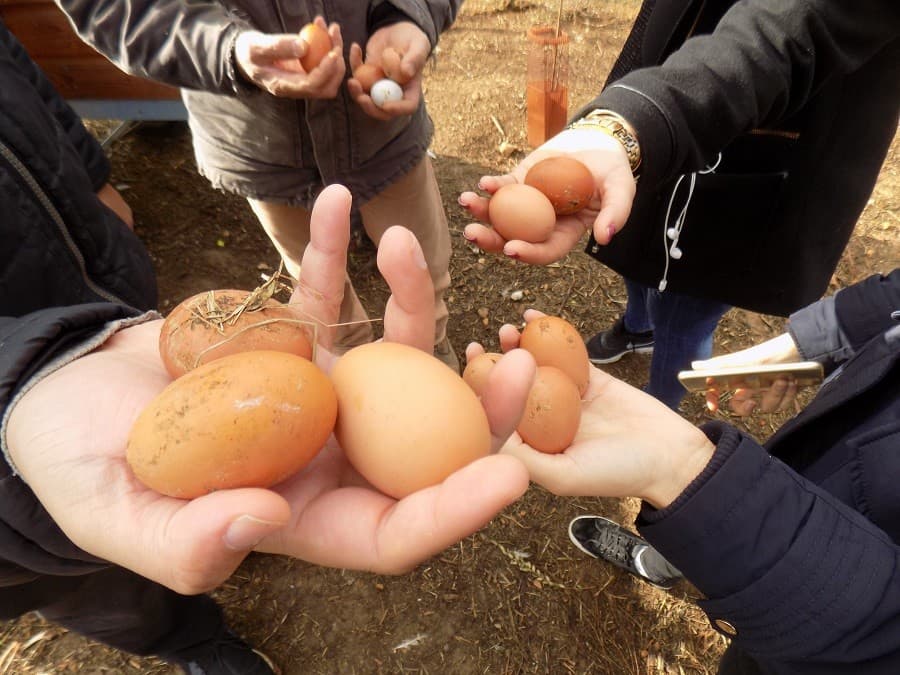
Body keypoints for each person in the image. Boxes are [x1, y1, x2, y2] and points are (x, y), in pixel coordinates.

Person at [0, 23, 537, 672]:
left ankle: (206, 577)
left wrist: (88, 169)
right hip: (244, 157)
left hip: (101, 302)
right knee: (102, 593)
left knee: (346, 342)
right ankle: (191, 643)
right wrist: (21, 387)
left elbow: (18, 66)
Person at [460, 0, 900, 408]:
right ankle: (639, 328)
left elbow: (790, 27)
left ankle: (661, 403)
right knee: (632, 235)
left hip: (768, 121)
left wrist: (641, 119)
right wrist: (627, 123)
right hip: (667, 86)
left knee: (687, 305)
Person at [476, 269, 900, 673]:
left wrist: (684, 475)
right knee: (713, 541)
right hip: (824, 471)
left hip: (833, 633)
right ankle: (669, 560)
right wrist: (822, 339)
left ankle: (689, 554)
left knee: (765, 647)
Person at [55, 0, 461, 371]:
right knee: (319, 281)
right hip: (260, 143)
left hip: (384, 132)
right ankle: (347, 358)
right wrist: (225, 50)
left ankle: (430, 345)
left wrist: (409, 15)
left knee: (421, 263)